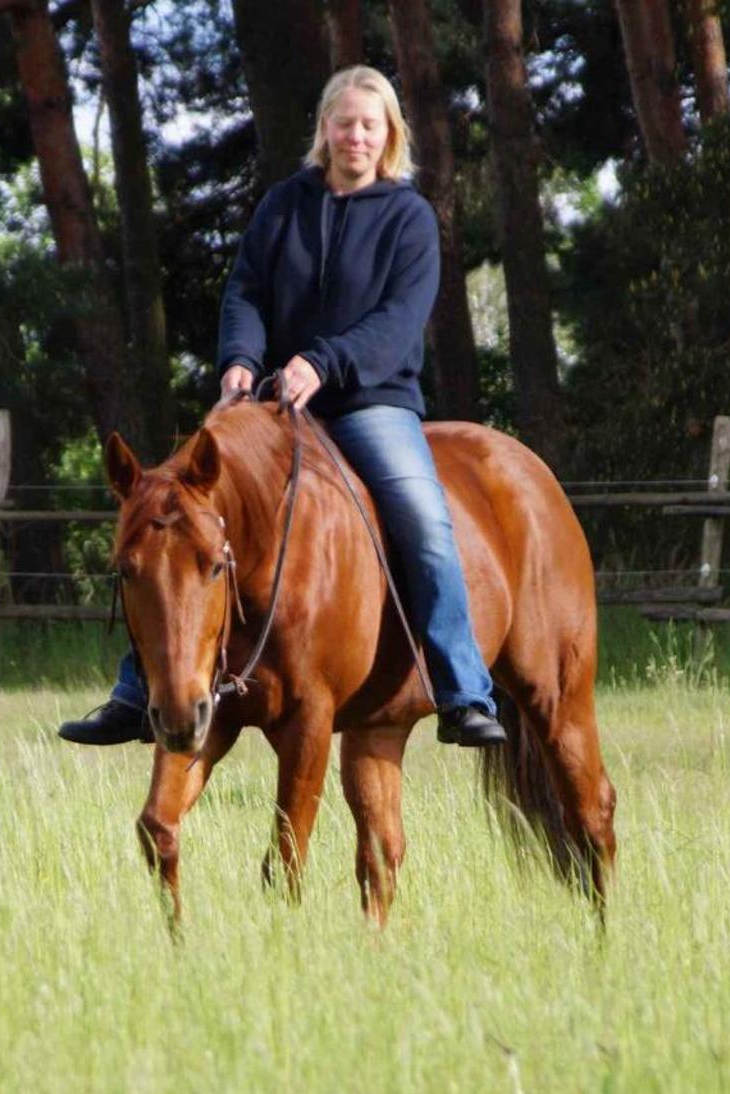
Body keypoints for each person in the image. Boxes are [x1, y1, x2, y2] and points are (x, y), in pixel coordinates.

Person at [59, 64, 505, 749]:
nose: (356, 135)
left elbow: (398, 321)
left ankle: (462, 689)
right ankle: (133, 693)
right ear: (324, 128)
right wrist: (239, 358)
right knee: (172, 515)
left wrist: (322, 363)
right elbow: (246, 291)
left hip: (369, 403)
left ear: (389, 134)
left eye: (369, 125)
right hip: (273, 405)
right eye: (344, 122)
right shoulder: (284, 204)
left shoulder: (409, 217)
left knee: (423, 518)